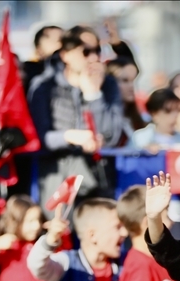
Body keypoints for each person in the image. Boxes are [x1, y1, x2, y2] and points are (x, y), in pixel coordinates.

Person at [29, 25, 125, 203]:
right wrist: (70, 137)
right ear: (66, 54)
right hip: (59, 179)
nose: (94, 58)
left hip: (100, 179)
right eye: (86, 51)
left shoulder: (108, 84)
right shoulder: (45, 86)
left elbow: (112, 135)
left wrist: (94, 95)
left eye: (97, 50)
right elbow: (40, 136)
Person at [108, 59, 144, 138]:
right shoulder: (104, 116)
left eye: (134, 80)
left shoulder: (137, 117)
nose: (132, 86)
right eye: (125, 80)